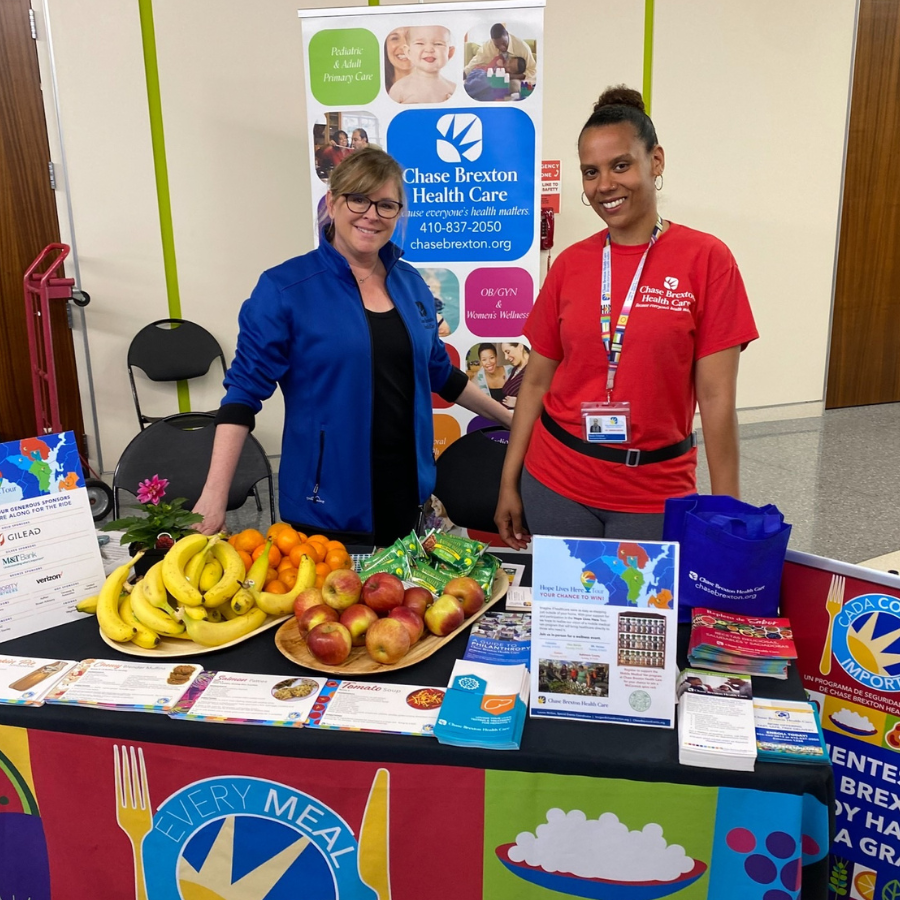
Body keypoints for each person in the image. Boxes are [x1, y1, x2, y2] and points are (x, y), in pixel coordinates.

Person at [194, 148, 511, 545]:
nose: (371, 214)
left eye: (386, 204)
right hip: (327, 510)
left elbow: (440, 374)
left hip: (407, 499)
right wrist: (214, 494)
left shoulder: (410, 283)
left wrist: (513, 421)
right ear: (332, 201)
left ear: (398, 213)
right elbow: (242, 396)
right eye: (358, 198)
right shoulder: (285, 289)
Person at [495, 86, 758, 548]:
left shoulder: (708, 260)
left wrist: (728, 512)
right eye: (590, 172)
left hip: (655, 495)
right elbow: (535, 382)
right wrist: (508, 482)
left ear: (655, 161)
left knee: (644, 620)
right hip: (558, 483)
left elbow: (717, 400)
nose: (604, 186)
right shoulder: (572, 264)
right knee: (572, 622)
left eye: (621, 165)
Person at [388, 25, 456, 104]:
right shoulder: (399, 89)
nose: (429, 49)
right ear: (408, 52)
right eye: (420, 43)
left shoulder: (453, 89)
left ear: (450, 53)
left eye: (438, 44)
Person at [464, 23, 536, 87]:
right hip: (485, 74)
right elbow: (476, 61)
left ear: (507, 34)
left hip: (511, 79)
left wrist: (510, 76)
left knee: (514, 85)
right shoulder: (488, 46)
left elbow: (532, 70)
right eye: (497, 45)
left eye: (504, 43)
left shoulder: (522, 47)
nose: (502, 47)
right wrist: (464, 73)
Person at [500, 342, 530, 409]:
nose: (506, 357)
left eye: (508, 352)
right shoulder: (515, 369)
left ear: (520, 347)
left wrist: (519, 402)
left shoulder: (533, 369)